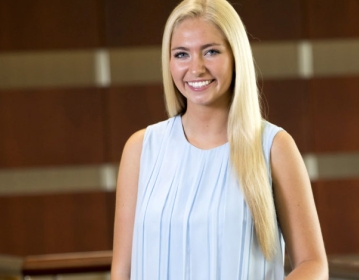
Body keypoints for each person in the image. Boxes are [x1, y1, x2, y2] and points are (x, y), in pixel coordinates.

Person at [110, 0, 327, 279]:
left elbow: (313, 263)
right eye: (181, 54)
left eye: (211, 51)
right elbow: (122, 271)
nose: (196, 68)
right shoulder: (141, 149)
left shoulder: (273, 147)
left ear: (236, 56)